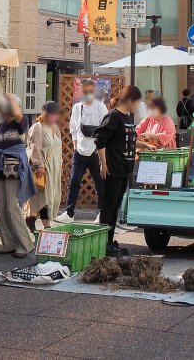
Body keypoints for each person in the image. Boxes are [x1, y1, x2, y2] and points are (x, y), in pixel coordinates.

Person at [0, 93, 36, 258]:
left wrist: (10, 98)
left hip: (14, 168)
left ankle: (25, 244)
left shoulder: (20, 123)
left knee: (12, 207)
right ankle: (9, 243)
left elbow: (17, 113)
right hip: (1, 169)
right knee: (1, 207)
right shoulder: (0, 126)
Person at [96, 86, 140, 257]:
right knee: (108, 208)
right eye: (137, 102)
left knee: (115, 208)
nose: (138, 106)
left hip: (124, 170)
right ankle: (103, 244)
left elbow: (127, 140)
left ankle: (109, 241)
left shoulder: (127, 118)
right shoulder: (113, 116)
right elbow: (100, 140)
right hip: (113, 170)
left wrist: (145, 146)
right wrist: (103, 164)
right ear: (129, 101)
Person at [55, 79, 106, 224]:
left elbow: (105, 129)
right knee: (74, 181)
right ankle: (69, 213)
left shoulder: (101, 107)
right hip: (80, 151)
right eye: (85, 91)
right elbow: (73, 128)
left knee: (99, 183)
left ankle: (102, 213)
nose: (88, 94)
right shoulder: (78, 107)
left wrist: (101, 150)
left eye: (90, 91)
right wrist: (76, 145)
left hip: (96, 151)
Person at [25, 101, 63, 231]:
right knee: (43, 200)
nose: (56, 117)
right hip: (42, 170)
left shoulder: (55, 128)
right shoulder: (37, 127)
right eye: (54, 114)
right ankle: (47, 228)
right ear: (46, 114)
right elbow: (34, 149)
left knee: (48, 199)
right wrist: (40, 165)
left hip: (54, 169)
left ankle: (30, 220)